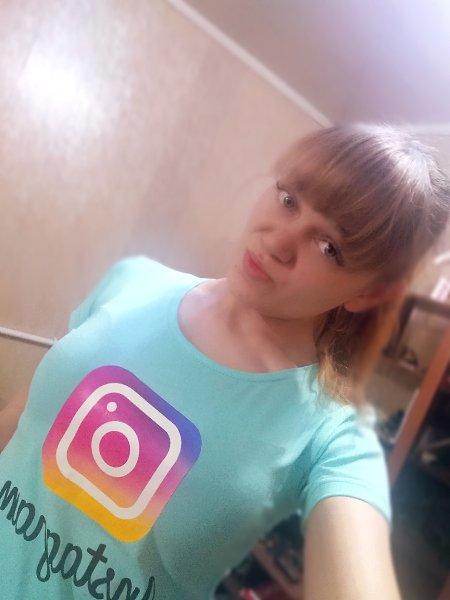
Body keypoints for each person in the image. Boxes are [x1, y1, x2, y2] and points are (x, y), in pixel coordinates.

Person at [1, 124, 449, 600]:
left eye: (329, 248)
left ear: (370, 294)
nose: (278, 242)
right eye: (288, 199)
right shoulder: (132, 281)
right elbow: (22, 422)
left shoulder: (332, 438)